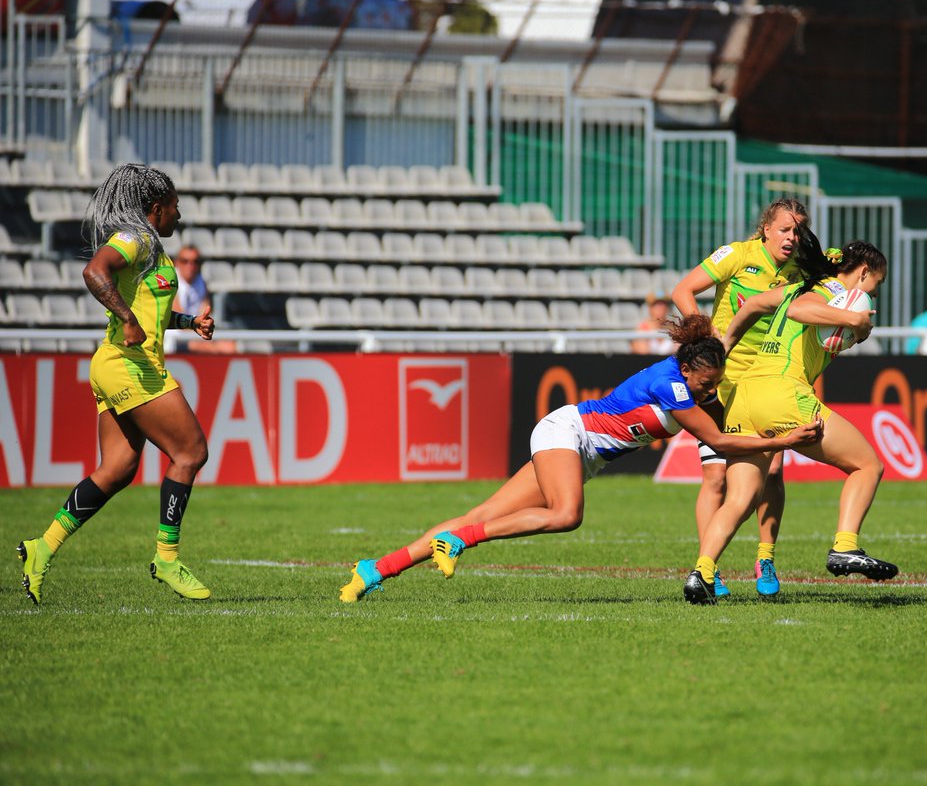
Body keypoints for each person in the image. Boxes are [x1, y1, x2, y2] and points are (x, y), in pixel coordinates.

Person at [338, 313, 823, 603]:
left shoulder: (693, 383)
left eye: (714, 385)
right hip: (566, 431)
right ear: (689, 369)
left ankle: (374, 570)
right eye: (706, 383)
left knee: (482, 513)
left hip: (582, 452)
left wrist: (767, 431)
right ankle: (459, 541)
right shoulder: (672, 385)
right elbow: (722, 441)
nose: (710, 391)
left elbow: (727, 431)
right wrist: (781, 441)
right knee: (566, 514)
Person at [16, 163, 217, 605]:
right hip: (130, 365)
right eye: (175, 208)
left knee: (118, 469)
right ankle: (166, 557)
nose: (178, 218)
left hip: (115, 364)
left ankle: (41, 547)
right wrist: (126, 319)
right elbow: (94, 272)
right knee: (191, 451)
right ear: (156, 208)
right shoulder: (136, 237)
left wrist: (188, 322)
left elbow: (149, 311)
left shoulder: (154, 252)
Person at [683, 241, 897, 605]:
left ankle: (701, 573)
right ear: (863, 272)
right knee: (867, 465)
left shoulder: (797, 286)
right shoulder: (833, 290)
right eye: (874, 285)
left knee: (738, 499)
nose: (872, 296)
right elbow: (800, 311)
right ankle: (845, 547)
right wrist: (854, 319)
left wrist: (726, 345)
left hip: (744, 397)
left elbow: (753, 304)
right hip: (783, 396)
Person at [670, 197, 813, 598]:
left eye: (799, 230)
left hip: (772, 380)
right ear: (766, 228)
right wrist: (703, 334)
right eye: (785, 229)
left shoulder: (802, 269)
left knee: (772, 472)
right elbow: (683, 290)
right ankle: (707, 567)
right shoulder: (737, 255)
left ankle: (765, 558)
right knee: (716, 477)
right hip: (723, 383)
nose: (792, 237)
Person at [164, 245, 237, 354]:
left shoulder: (201, 282)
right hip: (175, 336)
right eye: (185, 261)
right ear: (177, 262)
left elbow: (205, 313)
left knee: (230, 346)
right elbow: (180, 318)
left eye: (195, 262)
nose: (190, 266)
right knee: (209, 348)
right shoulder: (171, 280)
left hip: (195, 332)